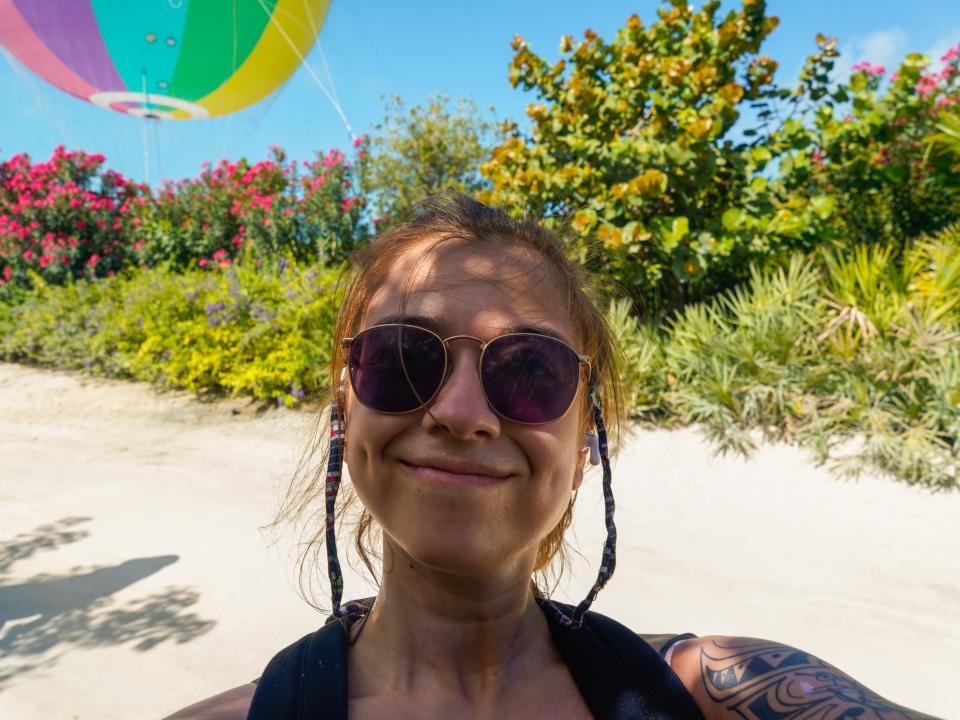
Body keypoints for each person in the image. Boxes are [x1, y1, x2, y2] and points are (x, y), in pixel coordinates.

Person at [164, 196, 939, 720]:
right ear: (345, 410)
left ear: (586, 439)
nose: (461, 413)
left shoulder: (717, 692)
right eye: (402, 359)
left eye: (529, 371)